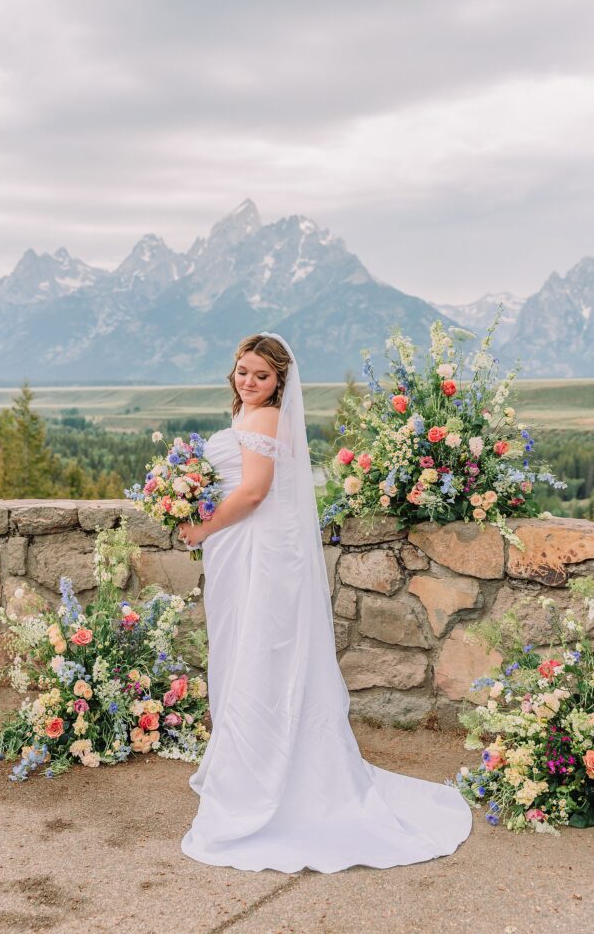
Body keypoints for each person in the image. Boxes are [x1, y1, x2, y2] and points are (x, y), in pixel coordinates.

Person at [177, 331, 472, 873]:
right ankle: (252, 764)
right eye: (242, 371)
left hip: (261, 550)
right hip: (246, 546)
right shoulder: (251, 416)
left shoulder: (264, 419)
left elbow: (254, 491)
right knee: (249, 651)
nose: (249, 382)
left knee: (264, 653)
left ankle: (269, 778)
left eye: (261, 376)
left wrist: (200, 529)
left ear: (279, 382)